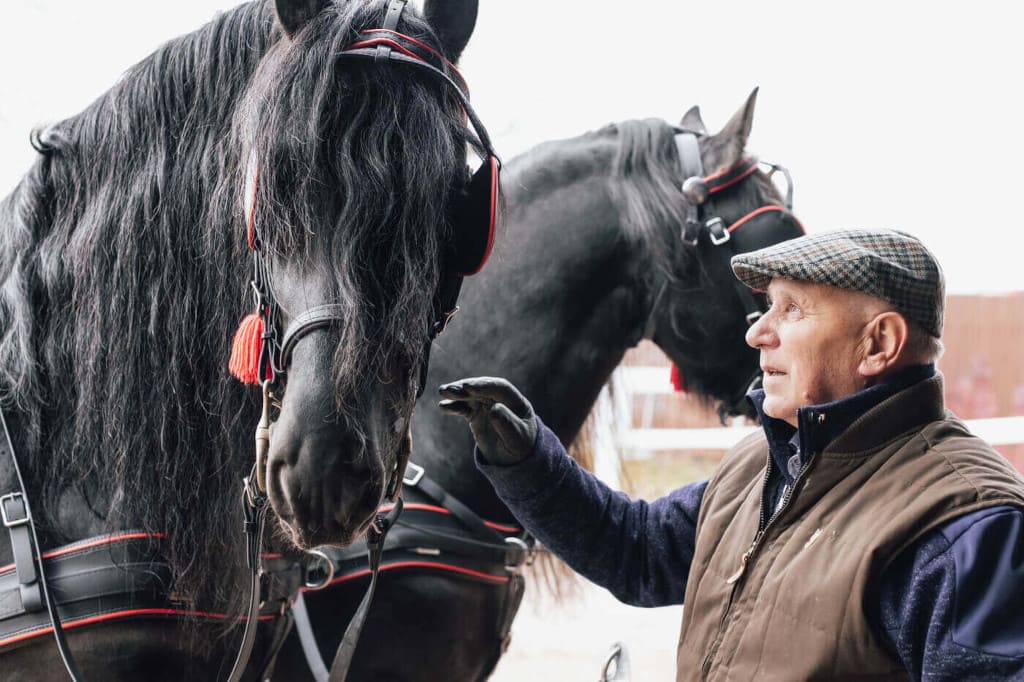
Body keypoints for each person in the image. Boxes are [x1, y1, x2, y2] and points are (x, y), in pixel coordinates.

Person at [438, 228, 1024, 681]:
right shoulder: (763, 465)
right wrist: (528, 461)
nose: (757, 333)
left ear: (879, 343)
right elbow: (638, 552)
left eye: (791, 309)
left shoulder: (964, 526)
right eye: (766, 308)